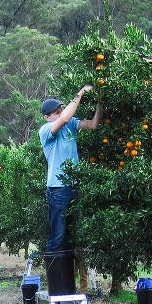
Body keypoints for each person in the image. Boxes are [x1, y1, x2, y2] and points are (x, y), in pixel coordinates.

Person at [39, 85, 100, 290]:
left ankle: (70, 285)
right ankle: (57, 286)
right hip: (58, 189)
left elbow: (93, 125)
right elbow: (64, 118)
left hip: (74, 186)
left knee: (72, 237)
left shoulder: (71, 124)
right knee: (57, 236)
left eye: (60, 109)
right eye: (57, 111)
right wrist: (81, 92)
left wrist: (101, 102)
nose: (60, 113)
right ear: (48, 116)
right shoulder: (46, 130)